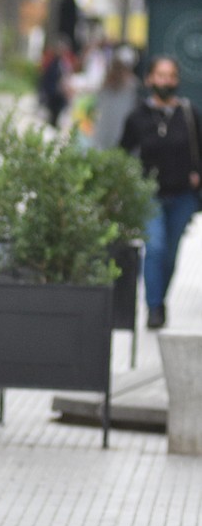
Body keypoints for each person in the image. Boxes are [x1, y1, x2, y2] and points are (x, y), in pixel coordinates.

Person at [118, 55, 200, 329]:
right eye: (161, 75)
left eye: (171, 76)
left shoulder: (189, 114)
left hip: (183, 196)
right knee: (155, 247)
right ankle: (153, 307)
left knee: (170, 254)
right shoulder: (137, 116)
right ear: (149, 78)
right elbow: (122, 152)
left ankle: (160, 299)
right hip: (149, 194)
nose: (166, 81)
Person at [91, 44, 139, 150]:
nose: (118, 72)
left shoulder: (133, 87)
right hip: (104, 135)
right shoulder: (105, 87)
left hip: (122, 136)